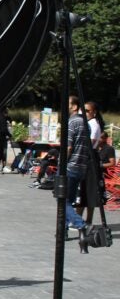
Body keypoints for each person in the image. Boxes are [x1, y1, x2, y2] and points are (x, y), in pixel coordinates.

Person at [65, 95, 91, 253]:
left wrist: (62, 165)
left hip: (71, 165)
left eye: (68, 104)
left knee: (63, 201)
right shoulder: (85, 123)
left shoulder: (72, 122)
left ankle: (82, 225)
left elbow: (68, 147)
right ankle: (64, 232)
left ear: (74, 107)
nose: (65, 106)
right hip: (81, 166)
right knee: (68, 200)